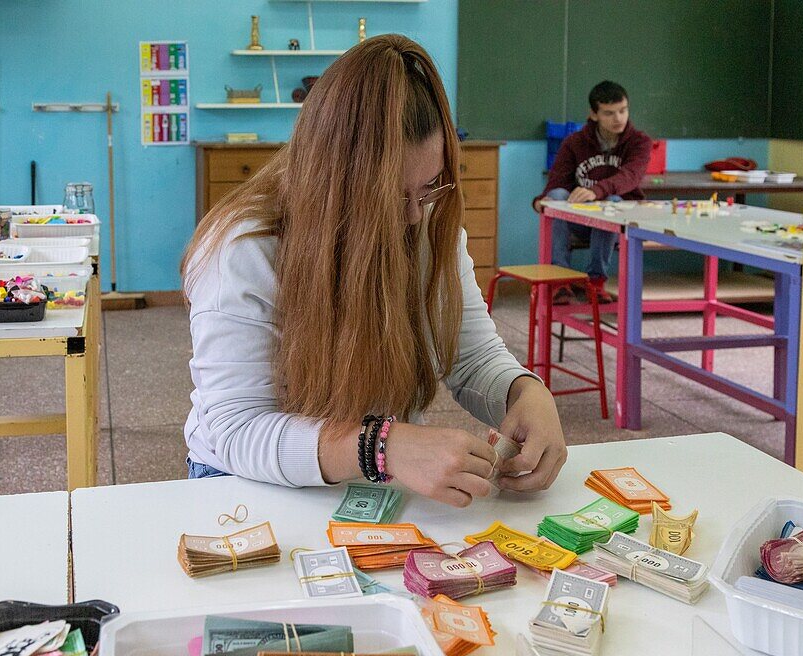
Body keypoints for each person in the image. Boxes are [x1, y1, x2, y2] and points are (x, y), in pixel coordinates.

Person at [181, 35, 567, 506]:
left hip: (370, 473)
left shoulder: (426, 223)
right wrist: (380, 446)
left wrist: (524, 392)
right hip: (244, 480)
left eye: (427, 188)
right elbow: (237, 430)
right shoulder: (245, 249)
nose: (411, 216)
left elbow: (471, 357)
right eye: (388, 197)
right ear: (331, 183)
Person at [533, 80, 653, 304]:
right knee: (557, 196)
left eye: (623, 110)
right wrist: (542, 200)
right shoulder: (575, 142)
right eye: (609, 113)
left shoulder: (640, 142)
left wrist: (596, 191)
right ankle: (560, 280)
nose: (618, 118)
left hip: (617, 223)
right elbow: (557, 180)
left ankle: (596, 281)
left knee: (613, 200)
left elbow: (631, 176)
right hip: (579, 221)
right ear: (594, 114)